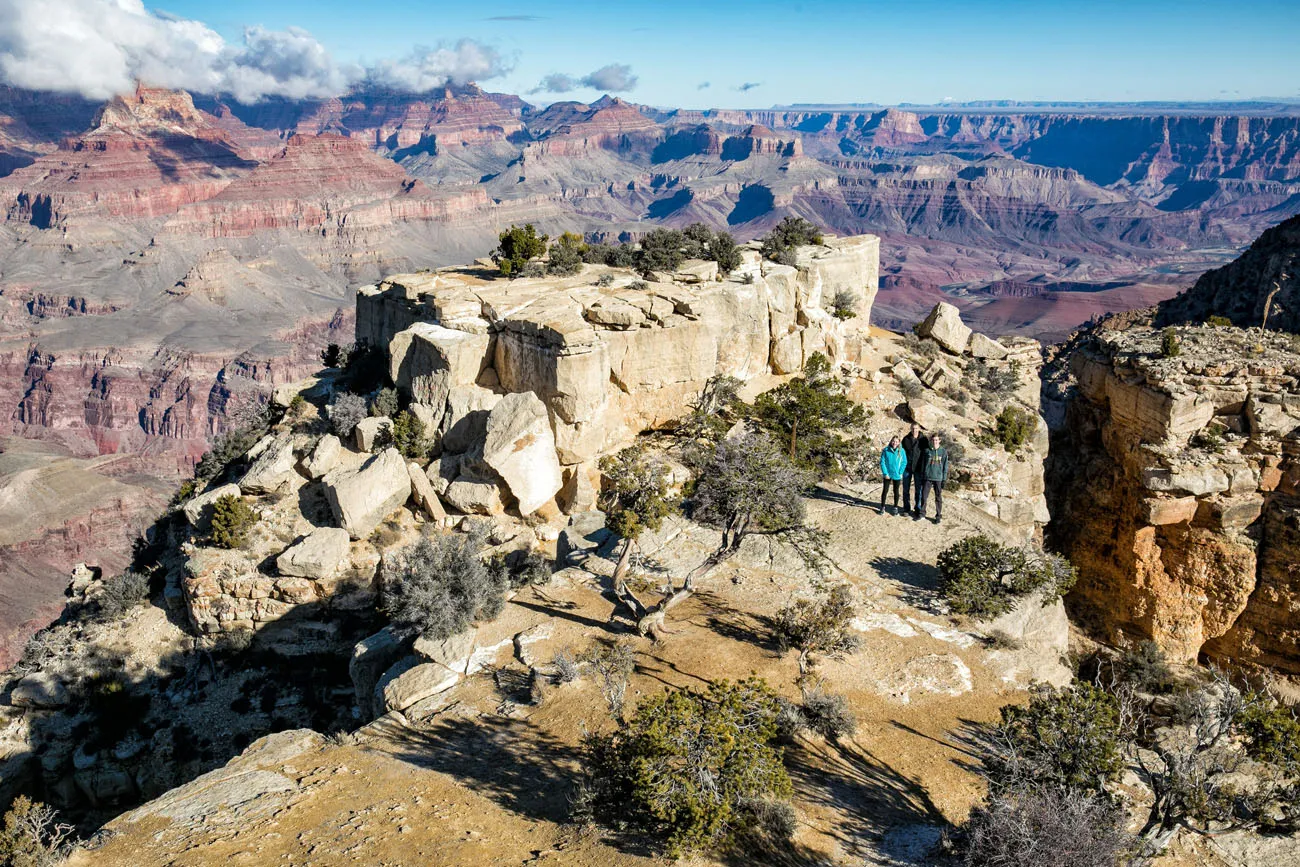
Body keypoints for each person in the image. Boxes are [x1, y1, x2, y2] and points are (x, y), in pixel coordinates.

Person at [916, 432, 949, 524]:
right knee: (924, 496)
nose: (935, 441)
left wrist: (944, 479)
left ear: (939, 441)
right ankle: (922, 513)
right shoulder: (927, 451)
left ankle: (938, 516)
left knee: (938, 497)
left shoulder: (943, 452)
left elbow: (945, 466)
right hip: (927, 477)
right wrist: (923, 475)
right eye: (933, 440)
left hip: (938, 478)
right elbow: (923, 464)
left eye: (936, 440)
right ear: (931, 441)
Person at [901, 423, 928, 516]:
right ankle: (906, 508)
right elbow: (901, 453)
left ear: (919, 428)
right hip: (907, 468)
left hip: (918, 468)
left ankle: (918, 508)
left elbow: (926, 454)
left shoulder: (923, 440)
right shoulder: (906, 439)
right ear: (910, 428)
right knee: (905, 489)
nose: (914, 430)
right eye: (913, 428)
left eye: (916, 428)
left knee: (918, 490)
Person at [879, 435, 906, 514]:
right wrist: (885, 473)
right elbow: (882, 462)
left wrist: (901, 472)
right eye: (893, 441)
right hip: (887, 474)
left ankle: (895, 507)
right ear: (891, 441)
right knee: (885, 490)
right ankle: (882, 506)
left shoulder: (902, 451)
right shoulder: (886, 450)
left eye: (896, 442)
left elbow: (904, 462)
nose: (894, 443)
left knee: (896, 491)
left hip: (897, 474)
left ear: (899, 442)